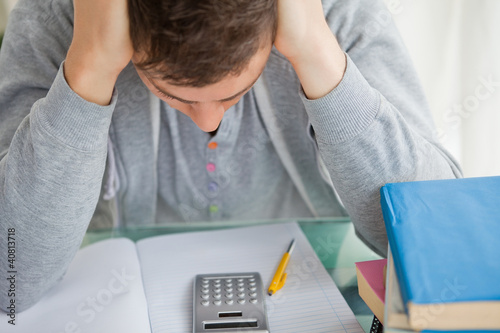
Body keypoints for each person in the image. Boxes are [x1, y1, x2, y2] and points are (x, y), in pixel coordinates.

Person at [0, 0, 461, 312]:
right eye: (170, 93)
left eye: (235, 91)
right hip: (112, 296)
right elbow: (11, 278)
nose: (207, 123)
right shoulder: (57, 16)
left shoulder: (334, 11)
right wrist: (90, 66)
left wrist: (318, 55)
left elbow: (443, 248)